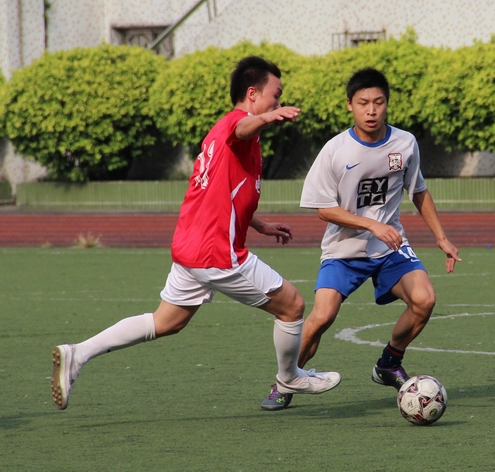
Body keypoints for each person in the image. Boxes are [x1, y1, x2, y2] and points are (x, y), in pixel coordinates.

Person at [51, 56, 341, 411]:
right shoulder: (236, 126)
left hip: (191, 248)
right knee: (293, 306)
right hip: (215, 252)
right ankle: (289, 377)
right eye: (275, 96)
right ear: (252, 94)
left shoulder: (220, 133)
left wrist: (259, 225)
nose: (278, 103)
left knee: (166, 322)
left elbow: (220, 194)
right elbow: (242, 128)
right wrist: (266, 118)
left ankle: (78, 353)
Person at [261, 68, 461, 411]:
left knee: (424, 300)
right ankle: (285, 381)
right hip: (343, 250)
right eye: (363, 103)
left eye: (378, 102)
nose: (371, 110)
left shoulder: (405, 143)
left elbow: (418, 191)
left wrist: (442, 238)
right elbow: (324, 209)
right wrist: (371, 225)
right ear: (349, 105)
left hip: (390, 247)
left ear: (387, 104)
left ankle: (388, 363)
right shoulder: (335, 150)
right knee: (322, 317)